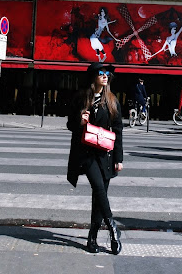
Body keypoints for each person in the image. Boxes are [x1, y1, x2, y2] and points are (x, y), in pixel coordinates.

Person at [67, 62, 124, 255]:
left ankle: (92, 237)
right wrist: (79, 121)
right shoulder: (82, 98)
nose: (105, 76)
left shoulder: (112, 100)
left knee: (99, 197)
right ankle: (113, 228)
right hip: (87, 153)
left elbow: (118, 130)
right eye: (101, 73)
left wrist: (119, 159)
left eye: (107, 73)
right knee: (98, 188)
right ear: (93, 77)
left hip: (105, 154)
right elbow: (70, 124)